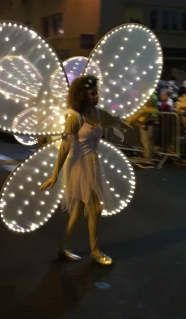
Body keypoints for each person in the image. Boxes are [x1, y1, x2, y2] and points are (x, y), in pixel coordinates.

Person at [39, 75, 130, 266]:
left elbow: (112, 120)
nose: (96, 96)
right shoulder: (74, 117)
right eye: (92, 93)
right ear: (82, 95)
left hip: (93, 165)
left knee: (79, 210)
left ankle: (62, 246)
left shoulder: (97, 113)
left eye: (97, 92)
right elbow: (65, 147)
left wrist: (124, 124)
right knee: (95, 207)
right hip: (79, 166)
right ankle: (95, 251)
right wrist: (55, 175)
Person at [127, 97, 159, 168]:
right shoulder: (152, 96)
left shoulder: (150, 97)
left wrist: (143, 122)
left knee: (147, 142)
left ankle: (148, 161)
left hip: (148, 123)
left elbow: (147, 111)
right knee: (146, 142)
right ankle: (147, 159)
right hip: (148, 122)